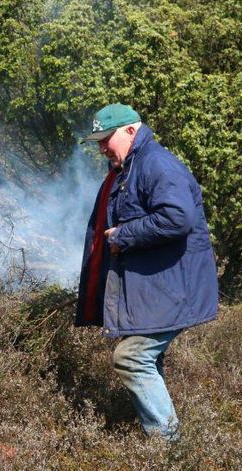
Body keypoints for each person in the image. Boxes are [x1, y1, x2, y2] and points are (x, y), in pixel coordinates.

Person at [75, 103, 219, 440]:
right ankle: (165, 441)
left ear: (130, 131)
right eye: (97, 141)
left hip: (172, 290)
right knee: (147, 361)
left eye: (105, 139)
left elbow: (177, 218)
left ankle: (168, 447)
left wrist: (125, 235)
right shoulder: (130, 167)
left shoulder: (156, 164)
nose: (100, 148)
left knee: (131, 357)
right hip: (157, 291)